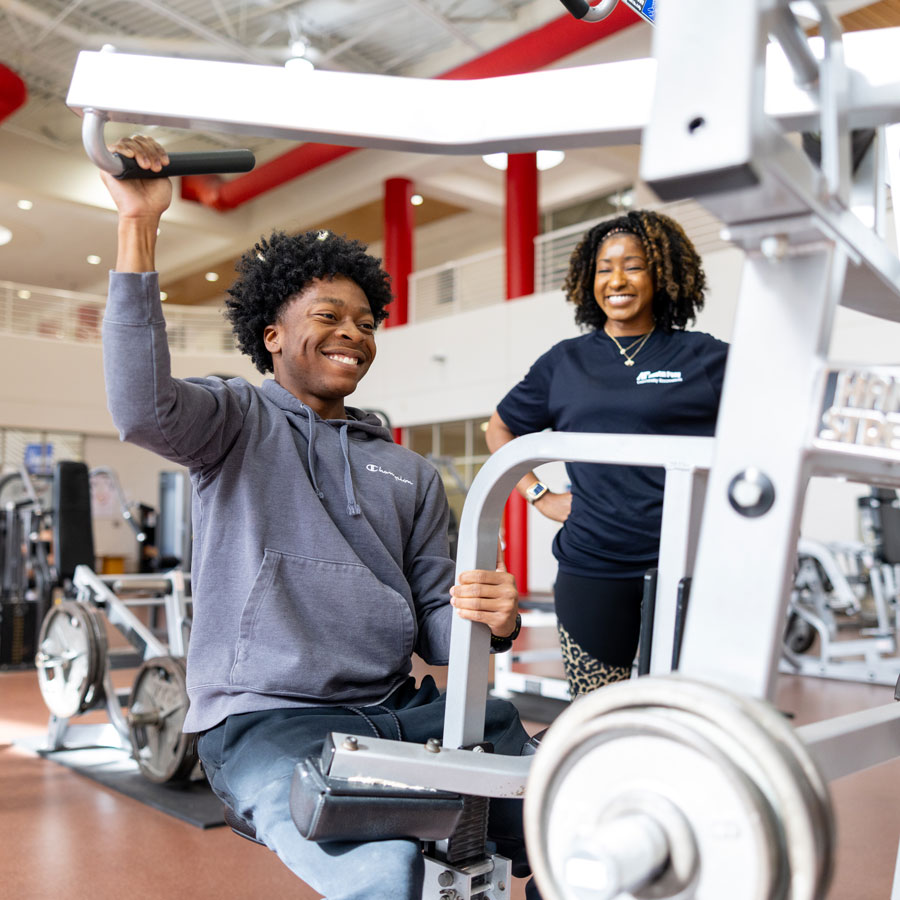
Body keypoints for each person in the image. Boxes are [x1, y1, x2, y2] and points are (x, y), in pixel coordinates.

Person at [99, 135, 538, 900]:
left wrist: (487, 620)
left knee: (571, 813)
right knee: (384, 871)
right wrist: (139, 224)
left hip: (400, 710)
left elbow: (438, 622)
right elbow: (140, 406)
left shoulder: (405, 469)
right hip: (270, 722)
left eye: (366, 321)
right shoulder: (235, 423)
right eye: (329, 314)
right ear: (272, 336)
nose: (353, 333)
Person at [486, 209, 728, 698]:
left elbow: (766, 430)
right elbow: (501, 427)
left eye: (633, 265)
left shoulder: (704, 357)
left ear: (662, 273)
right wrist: (539, 494)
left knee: (685, 708)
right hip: (591, 562)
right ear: (587, 280)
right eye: (603, 268)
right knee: (596, 707)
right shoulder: (565, 362)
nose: (617, 279)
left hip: (685, 562)